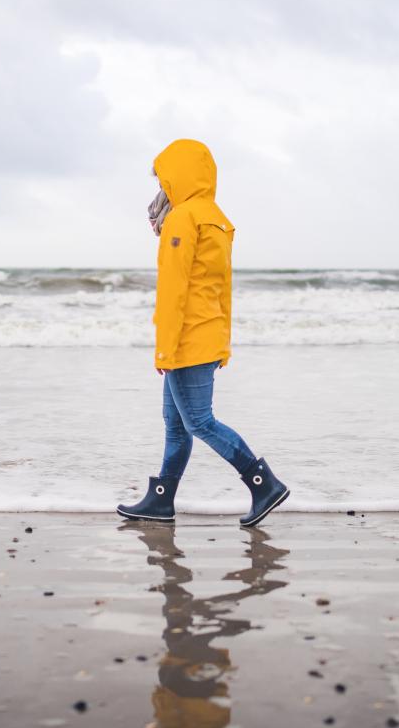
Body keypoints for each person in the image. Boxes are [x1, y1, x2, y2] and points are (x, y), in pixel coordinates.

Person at [116, 139, 291, 527]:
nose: (161, 186)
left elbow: (174, 290)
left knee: (198, 421)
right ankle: (161, 500)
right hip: (207, 334)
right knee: (176, 424)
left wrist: (164, 349)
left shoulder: (183, 218)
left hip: (187, 339)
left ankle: (263, 483)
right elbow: (223, 288)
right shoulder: (217, 217)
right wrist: (224, 342)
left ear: (175, 175)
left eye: (163, 177)